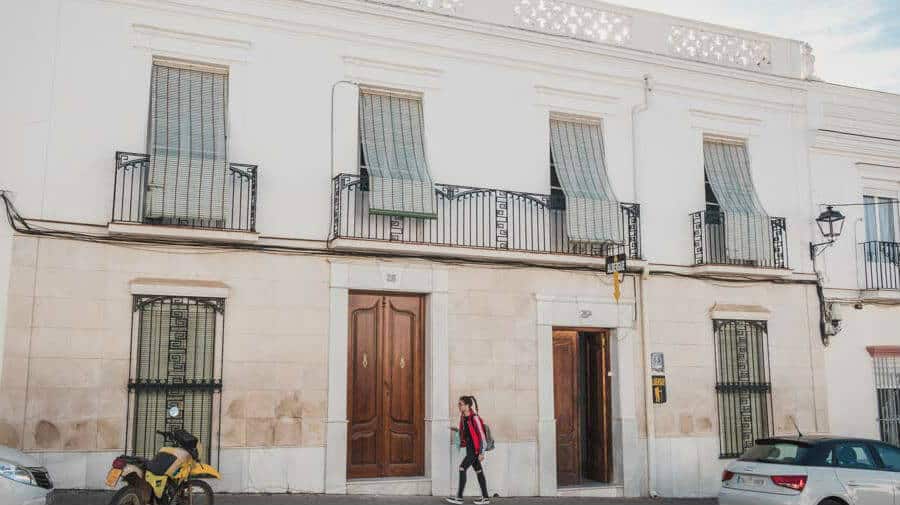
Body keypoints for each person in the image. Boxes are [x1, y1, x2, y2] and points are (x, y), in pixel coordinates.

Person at [446, 395, 490, 505]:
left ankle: (459, 497)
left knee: (462, 468)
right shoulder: (463, 417)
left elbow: (482, 436)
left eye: (460, 404)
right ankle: (485, 498)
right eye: (458, 404)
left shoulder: (474, 418)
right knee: (479, 471)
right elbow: (466, 434)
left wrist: (482, 452)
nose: (459, 406)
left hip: (475, 450)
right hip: (470, 447)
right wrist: (457, 431)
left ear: (467, 405)